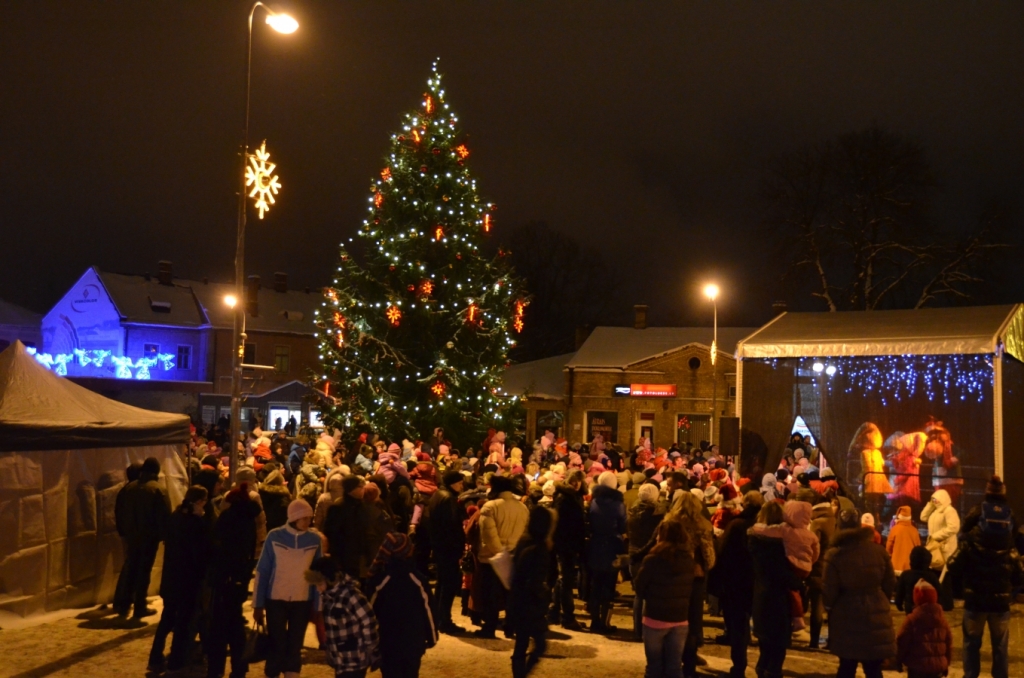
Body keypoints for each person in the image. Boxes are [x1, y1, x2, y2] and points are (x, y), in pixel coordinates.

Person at [945, 475, 1024, 678]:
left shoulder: (971, 538)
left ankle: (971, 676)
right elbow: (1019, 574)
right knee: (1000, 647)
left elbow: (953, 566)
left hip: (975, 602)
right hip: (1000, 605)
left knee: (971, 644)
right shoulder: (1009, 542)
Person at [822, 509, 897, 678]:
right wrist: (879, 599)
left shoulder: (834, 555)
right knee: (874, 669)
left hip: (846, 614)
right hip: (876, 614)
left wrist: (831, 607)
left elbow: (829, 590)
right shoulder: (879, 551)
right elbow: (890, 582)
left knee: (846, 667)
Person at [254, 499, 324, 678]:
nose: (309, 522)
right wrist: (258, 604)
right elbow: (263, 571)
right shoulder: (275, 537)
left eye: (310, 518)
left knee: (295, 643)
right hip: (276, 599)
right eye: (305, 518)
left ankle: (292, 674)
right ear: (294, 518)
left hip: (302, 600)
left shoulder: (314, 540)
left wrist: (318, 605)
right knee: (277, 642)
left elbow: (318, 574)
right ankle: (273, 673)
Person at [148, 485, 211, 673]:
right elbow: (199, 554)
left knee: (167, 620)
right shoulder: (195, 523)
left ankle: (155, 657)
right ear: (200, 502)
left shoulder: (175, 518)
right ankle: (176, 661)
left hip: (171, 579)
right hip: (188, 582)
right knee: (183, 623)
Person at [206, 483, 263, 678]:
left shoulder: (228, 519)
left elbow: (218, 549)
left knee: (219, 628)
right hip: (238, 580)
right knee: (236, 624)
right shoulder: (249, 520)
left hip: (224, 580)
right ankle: (239, 668)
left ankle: (216, 669)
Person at [366, 533, 437, 678]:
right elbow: (428, 610)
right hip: (412, 643)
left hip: (387, 642)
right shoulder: (417, 580)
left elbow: (369, 612)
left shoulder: (380, 580)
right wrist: (432, 637)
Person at [707, 491, 761, 676]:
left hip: (736, 581)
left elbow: (723, 552)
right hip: (756, 581)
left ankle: (739, 666)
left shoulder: (736, 525)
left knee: (738, 625)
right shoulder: (764, 525)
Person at [634, 519, 695, 678]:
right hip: (680, 618)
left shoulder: (653, 559)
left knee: (654, 667)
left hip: (655, 617)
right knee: (674, 667)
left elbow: (640, 587)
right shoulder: (689, 559)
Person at [113, 456, 171, 623]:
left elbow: (119, 511)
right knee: (144, 571)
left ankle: (124, 605)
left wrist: (123, 531)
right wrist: (166, 536)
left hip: (132, 536)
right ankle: (140, 606)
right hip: (149, 537)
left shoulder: (129, 488)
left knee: (131, 569)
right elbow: (164, 515)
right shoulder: (158, 489)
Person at [748, 501, 801, 678]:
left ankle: (762, 670)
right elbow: (783, 574)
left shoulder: (753, 541)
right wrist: (798, 582)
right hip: (778, 600)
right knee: (778, 648)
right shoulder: (780, 546)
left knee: (765, 644)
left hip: (760, 596)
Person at [308, 556, 380, 678]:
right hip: (340, 660)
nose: (317, 588)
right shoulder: (328, 597)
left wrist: (372, 649)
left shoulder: (351, 595)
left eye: (319, 584)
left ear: (330, 579)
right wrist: (330, 652)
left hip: (355, 658)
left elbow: (368, 621)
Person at [477, 475, 529, 638]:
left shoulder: (490, 507)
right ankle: (510, 627)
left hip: (491, 558)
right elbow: (523, 534)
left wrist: (499, 553)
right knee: (509, 595)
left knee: (490, 595)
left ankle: (489, 627)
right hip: (513, 555)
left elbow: (489, 535)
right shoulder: (523, 508)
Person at [508, 506, 555, 678]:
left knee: (521, 642)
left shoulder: (524, 540)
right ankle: (522, 674)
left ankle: (519, 674)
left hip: (518, 599)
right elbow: (535, 581)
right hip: (531, 603)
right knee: (540, 644)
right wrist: (545, 593)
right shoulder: (539, 548)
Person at [426, 469, 467, 634]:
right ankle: (445, 621)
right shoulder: (449, 498)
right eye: (459, 482)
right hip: (448, 548)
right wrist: (458, 547)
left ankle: (438, 618)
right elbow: (452, 526)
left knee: (442, 583)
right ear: (452, 483)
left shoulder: (437, 494)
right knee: (448, 585)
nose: (462, 485)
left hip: (439, 546)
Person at [588, 470, 627, 634]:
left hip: (595, 545)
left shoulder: (594, 501)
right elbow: (623, 527)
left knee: (596, 585)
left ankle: (595, 620)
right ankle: (605, 622)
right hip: (612, 546)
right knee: (608, 587)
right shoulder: (618, 505)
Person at [627, 482, 666, 639]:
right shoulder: (658, 515)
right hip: (650, 555)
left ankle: (638, 630)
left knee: (639, 593)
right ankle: (649, 630)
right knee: (651, 594)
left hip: (634, 554)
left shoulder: (632, 513)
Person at [551, 470, 587, 630]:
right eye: (574, 481)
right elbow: (562, 523)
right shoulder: (564, 498)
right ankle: (567, 617)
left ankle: (555, 612)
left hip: (569, 542)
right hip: (566, 543)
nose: (576, 483)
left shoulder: (574, 496)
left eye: (578, 480)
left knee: (562, 579)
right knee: (566, 580)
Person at [896, 581, 953, 678]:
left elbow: (902, 642)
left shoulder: (912, 619)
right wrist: (946, 663)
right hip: (937, 669)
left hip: (917, 667)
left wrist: (897, 660)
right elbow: (949, 644)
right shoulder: (942, 620)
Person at [807, 497, 835, 649]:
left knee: (816, 607)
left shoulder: (817, 523)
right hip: (834, 569)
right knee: (831, 609)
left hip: (819, 569)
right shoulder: (835, 521)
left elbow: (813, 547)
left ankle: (814, 641)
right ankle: (832, 641)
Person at [894, 545, 948, 615]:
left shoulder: (906, 575)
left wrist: (898, 603)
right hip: (928, 609)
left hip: (911, 608)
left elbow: (900, 591)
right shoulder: (931, 576)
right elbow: (939, 593)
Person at [920, 488, 959, 571]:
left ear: (942, 498)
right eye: (933, 499)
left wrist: (936, 536)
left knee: (945, 572)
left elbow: (954, 527)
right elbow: (923, 517)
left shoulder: (949, 510)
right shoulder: (935, 511)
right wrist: (930, 505)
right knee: (935, 569)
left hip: (945, 547)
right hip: (934, 546)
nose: (934, 501)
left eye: (936, 499)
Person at [886, 505, 921, 574]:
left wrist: (889, 556)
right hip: (910, 567)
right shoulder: (914, 531)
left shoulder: (895, 529)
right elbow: (918, 548)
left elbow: (889, 546)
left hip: (896, 566)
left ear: (899, 517)